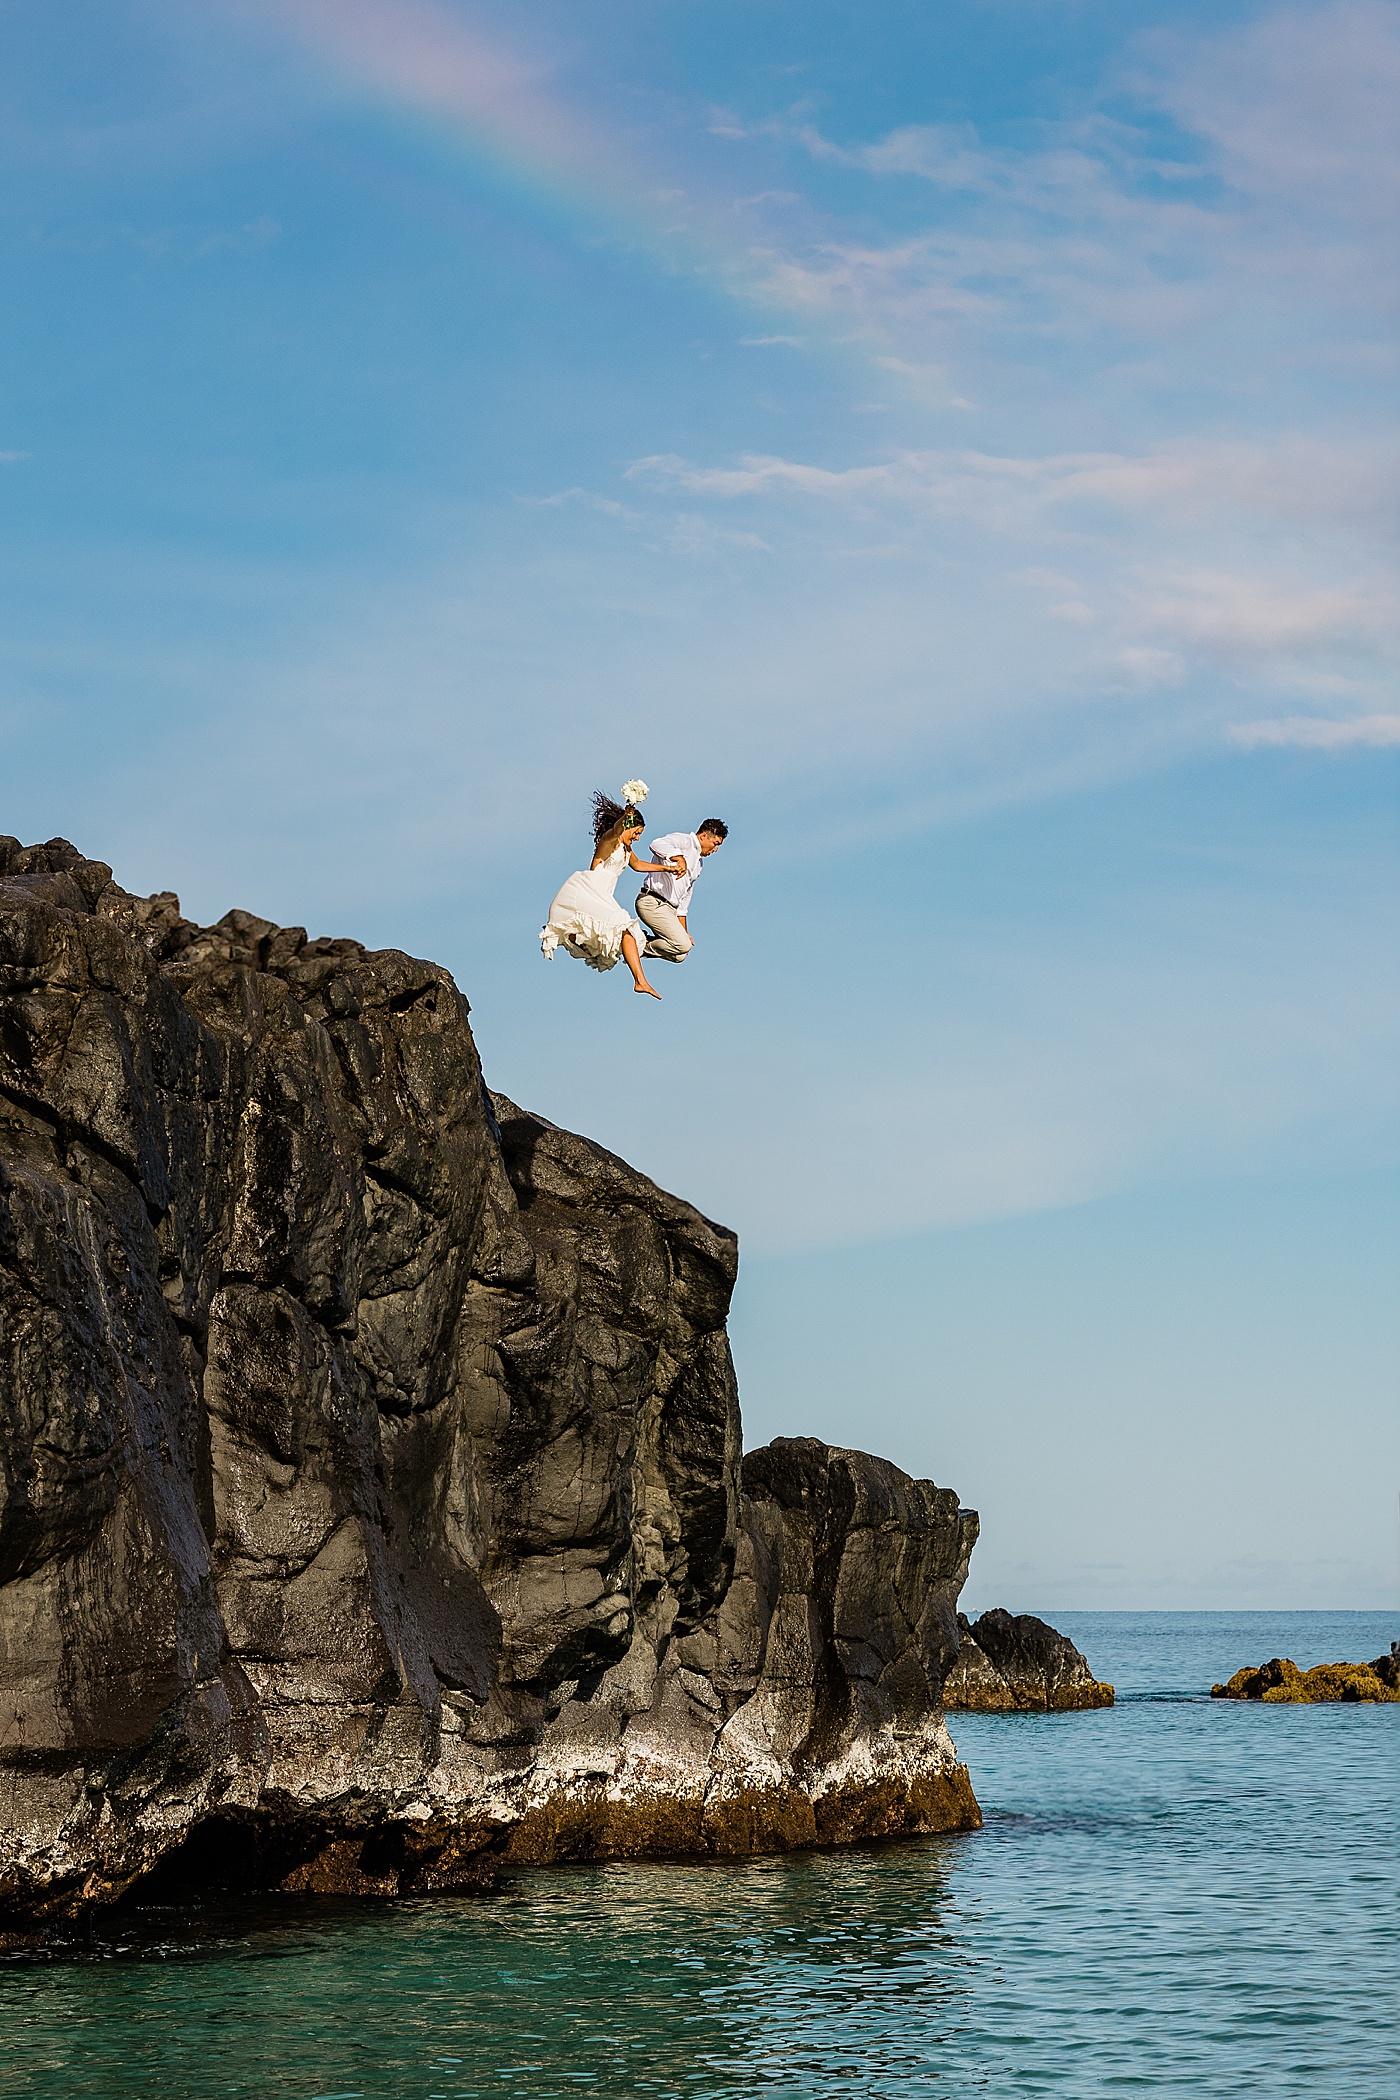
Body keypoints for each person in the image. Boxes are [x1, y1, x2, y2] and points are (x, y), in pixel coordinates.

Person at [540, 787, 683, 999]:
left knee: (621, 934)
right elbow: (617, 830)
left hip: (602, 895)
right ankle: (641, 982)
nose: (636, 838)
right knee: (624, 927)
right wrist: (626, 815)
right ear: (628, 826)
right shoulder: (609, 841)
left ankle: (639, 980)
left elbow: (638, 865)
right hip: (588, 889)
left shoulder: (626, 850)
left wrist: (668, 869)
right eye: (636, 833)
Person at [634, 818, 728, 964]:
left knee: (680, 955)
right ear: (703, 836)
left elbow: (684, 902)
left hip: (669, 909)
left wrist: (683, 932)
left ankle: (640, 943)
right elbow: (656, 844)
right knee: (682, 944)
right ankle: (636, 945)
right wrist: (679, 858)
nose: (716, 850)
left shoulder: (699, 864)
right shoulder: (684, 841)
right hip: (652, 901)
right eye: (715, 844)